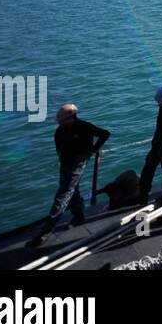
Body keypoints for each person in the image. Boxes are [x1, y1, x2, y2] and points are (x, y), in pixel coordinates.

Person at [27, 104, 110, 247]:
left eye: (62, 120)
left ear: (71, 118)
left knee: (62, 196)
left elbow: (105, 134)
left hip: (77, 164)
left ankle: (45, 233)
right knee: (72, 190)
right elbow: (58, 146)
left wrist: (93, 150)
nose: (60, 123)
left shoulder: (84, 126)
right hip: (65, 164)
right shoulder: (60, 131)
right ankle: (79, 216)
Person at [137, 85, 162, 202]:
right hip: (158, 144)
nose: (159, 102)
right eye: (158, 100)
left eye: (161, 100)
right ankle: (143, 195)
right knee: (148, 169)